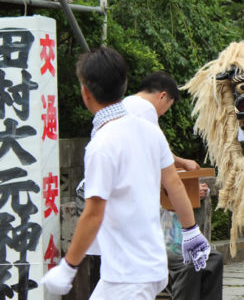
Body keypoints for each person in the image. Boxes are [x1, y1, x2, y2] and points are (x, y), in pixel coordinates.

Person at [41, 47, 210, 298]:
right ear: (124, 85)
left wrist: (68, 267)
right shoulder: (149, 130)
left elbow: (93, 212)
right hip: (144, 266)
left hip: (128, 275)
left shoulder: (101, 144)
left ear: (85, 93)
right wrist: (191, 231)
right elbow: (174, 184)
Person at [124, 71, 224, 300]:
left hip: (136, 220)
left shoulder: (128, 107)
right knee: (193, 261)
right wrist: (188, 192)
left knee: (208, 258)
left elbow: (160, 159)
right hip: (140, 231)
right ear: (163, 96)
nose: (165, 111)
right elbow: (168, 178)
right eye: (168, 105)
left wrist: (180, 163)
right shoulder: (144, 111)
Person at [123, 71, 200, 171]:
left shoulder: (126, 103)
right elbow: (160, 153)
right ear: (162, 96)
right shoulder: (145, 108)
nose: (163, 113)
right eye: (168, 107)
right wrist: (184, 163)